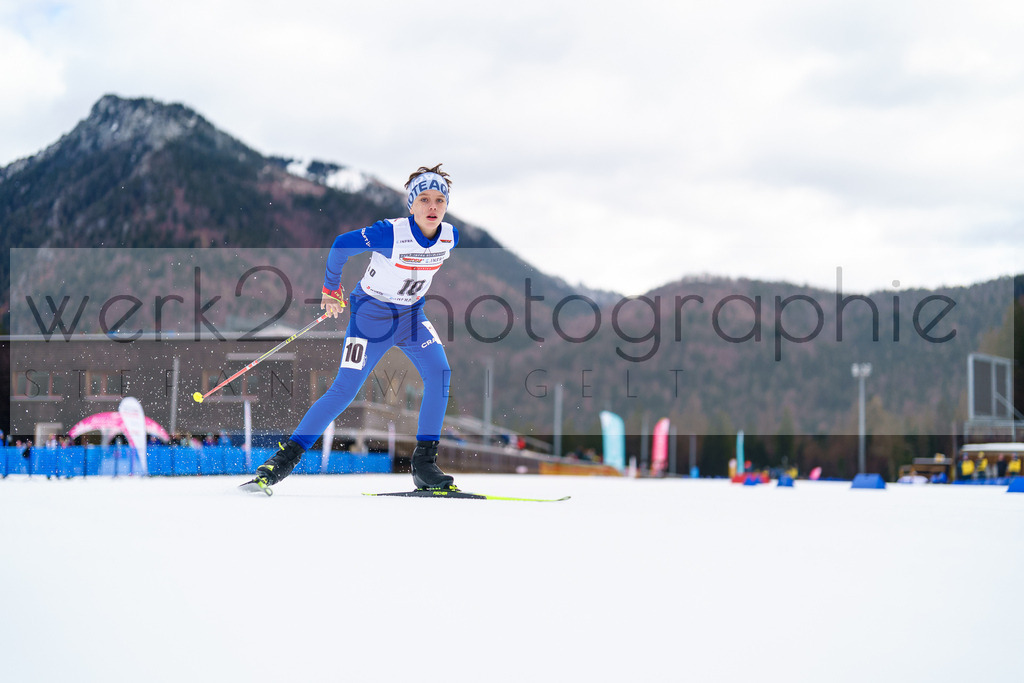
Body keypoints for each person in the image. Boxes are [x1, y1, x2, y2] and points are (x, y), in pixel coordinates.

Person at [254, 164, 459, 490]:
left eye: (439, 200)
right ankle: (284, 459)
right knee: (345, 389)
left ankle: (424, 464)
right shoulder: (389, 233)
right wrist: (331, 289)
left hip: (411, 317)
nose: (432, 207)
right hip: (370, 318)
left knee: (440, 372)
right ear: (411, 205)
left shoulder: (449, 236)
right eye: (424, 200)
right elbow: (341, 245)